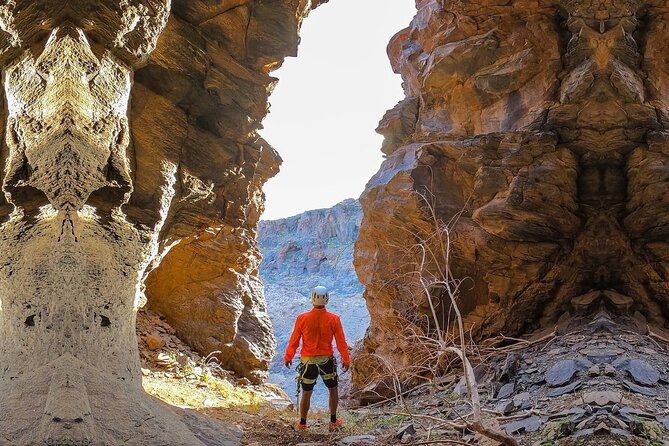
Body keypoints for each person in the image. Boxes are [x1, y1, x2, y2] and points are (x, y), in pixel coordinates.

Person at [284, 285, 350, 432]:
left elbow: (294, 341)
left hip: (307, 362)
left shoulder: (302, 318)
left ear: (312, 298)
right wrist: (346, 359)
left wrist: (288, 356)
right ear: (327, 298)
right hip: (326, 361)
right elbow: (341, 342)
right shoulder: (334, 319)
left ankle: (302, 423)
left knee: (306, 392)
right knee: (333, 390)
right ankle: (333, 421)